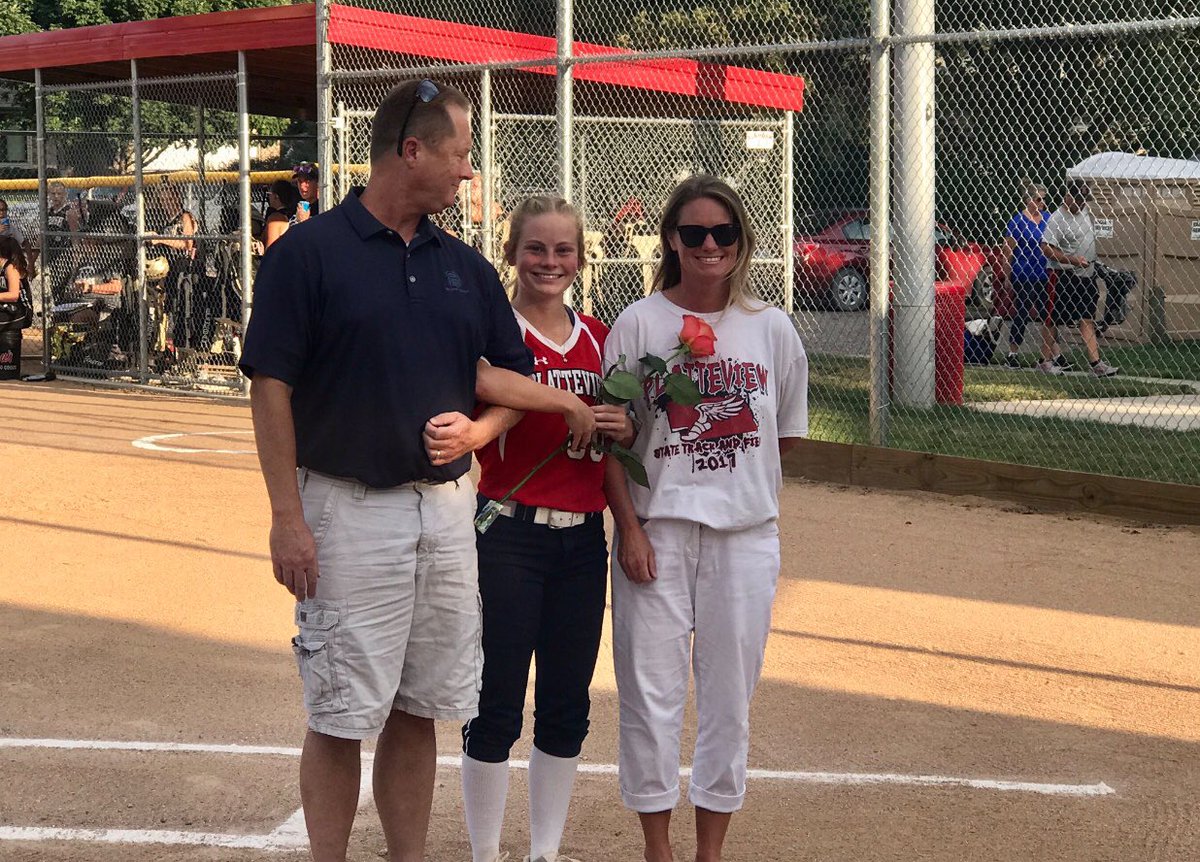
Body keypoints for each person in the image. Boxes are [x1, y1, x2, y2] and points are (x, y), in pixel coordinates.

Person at [238, 79, 598, 862]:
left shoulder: (463, 267)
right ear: (412, 151)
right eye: (460, 154)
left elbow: (504, 377)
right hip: (346, 508)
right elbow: (271, 387)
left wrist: (481, 430)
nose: (468, 170)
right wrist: (286, 517)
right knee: (340, 712)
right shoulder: (309, 254)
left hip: (446, 512)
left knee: (421, 705)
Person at [602, 175, 808, 862]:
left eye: (723, 232)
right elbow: (613, 439)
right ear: (671, 240)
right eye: (694, 233)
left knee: (728, 701)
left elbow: (781, 437)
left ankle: (709, 852)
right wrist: (631, 529)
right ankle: (657, 849)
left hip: (744, 538)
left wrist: (727, 481)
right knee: (649, 696)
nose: (709, 245)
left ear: (742, 241)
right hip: (657, 533)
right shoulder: (638, 324)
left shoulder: (771, 328)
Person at [461, 196, 634, 862]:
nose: (550, 261)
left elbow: (618, 438)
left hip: (582, 539)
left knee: (566, 703)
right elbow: (482, 388)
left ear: (581, 259)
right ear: (511, 253)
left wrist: (621, 424)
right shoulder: (494, 333)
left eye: (564, 250)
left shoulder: (599, 337)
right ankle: (484, 853)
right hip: (509, 534)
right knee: (497, 699)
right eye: (535, 247)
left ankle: (544, 851)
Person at [1040, 180, 1119, 377]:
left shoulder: (1084, 211)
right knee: (1053, 319)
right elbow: (1046, 248)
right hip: (1063, 275)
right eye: (1078, 199)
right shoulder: (1057, 219)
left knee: (1087, 318)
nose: (1082, 203)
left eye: (1084, 199)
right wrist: (1072, 260)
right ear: (1067, 197)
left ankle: (1096, 364)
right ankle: (1045, 361)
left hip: (1086, 275)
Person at [1001, 182, 1056, 371]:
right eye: (1038, 199)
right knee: (1022, 312)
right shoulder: (1017, 221)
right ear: (1028, 200)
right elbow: (1008, 251)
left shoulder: (1047, 218)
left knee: (1048, 314)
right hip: (1024, 273)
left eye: (1043, 199)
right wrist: (1007, 276)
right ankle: (1012, 354)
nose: (1042, 203)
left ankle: (1053, 354)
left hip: (1044, 273)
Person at [262, 179, 301, 252]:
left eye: (269, 194)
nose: (269, 197)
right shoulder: (293, 215)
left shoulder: (275, 218)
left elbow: (270, 249)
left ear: (276, 196)